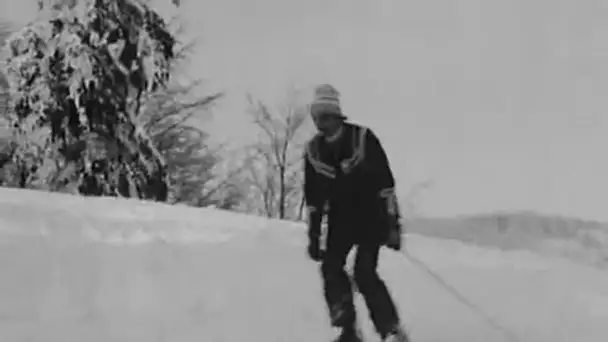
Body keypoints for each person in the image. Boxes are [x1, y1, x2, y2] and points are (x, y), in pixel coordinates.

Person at [303, 84, 409, 342]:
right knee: (331, 268)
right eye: (316, 117)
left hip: (371, 216)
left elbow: (386, 184)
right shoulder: (313, 151)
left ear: (336, 116)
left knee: (364, 272)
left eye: (325, 116)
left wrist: (393, 224)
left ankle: (390, 330)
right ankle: (347, 329)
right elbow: (314, 197)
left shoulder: (362, 139)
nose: (320, 122)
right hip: (340, 219)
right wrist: (314, 235)